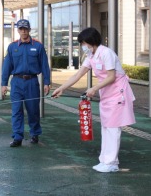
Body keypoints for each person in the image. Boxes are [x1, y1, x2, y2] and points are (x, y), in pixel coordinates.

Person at [51, 27, 136, 172]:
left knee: (113, 128)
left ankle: (111, 163)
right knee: (106, 126)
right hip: (107, 93)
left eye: (84, 43)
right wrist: (62, 88)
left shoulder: (106, 53)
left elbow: (111, 76)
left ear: (92, 41)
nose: (83, 46)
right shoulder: (91, 56)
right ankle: (105, 160)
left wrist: (94, 88)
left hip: (118, 92)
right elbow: (78, 75)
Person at [1, 19, 51, 147]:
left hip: (32, 82)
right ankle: (17, 137)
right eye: (21, 29)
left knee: (33, 110)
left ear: (29, 29)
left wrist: (47, 82)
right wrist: (4, 84)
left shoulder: (38, 46)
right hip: (16, 82)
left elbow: (44, 65)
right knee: (16, 110)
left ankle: (34, 133)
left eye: (25, 29)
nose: (23, 31)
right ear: (18, 30)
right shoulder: (12, 47)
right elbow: (7, 66)